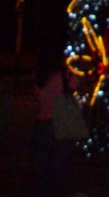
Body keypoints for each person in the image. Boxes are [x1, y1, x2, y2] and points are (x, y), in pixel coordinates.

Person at [30, 47, 77, 197]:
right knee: (59, 173)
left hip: (41, 124)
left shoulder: (39, 76)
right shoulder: (65, 75)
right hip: (60, 125)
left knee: (41, 173)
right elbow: (77, 85)